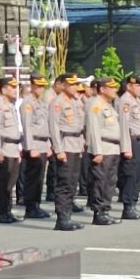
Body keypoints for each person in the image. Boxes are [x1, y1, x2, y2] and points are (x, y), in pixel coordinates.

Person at [49, 73, 86, 231]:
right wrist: (59, 149)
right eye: (71, 84)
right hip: (65, 144)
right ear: (63, 85)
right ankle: (62, 218)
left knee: (72, 182)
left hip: (75, 144)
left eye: (75, 84)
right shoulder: (57, 102)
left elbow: (80, 125)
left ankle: (68, 215)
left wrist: (82, 143)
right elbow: (54, 127)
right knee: (64, 183)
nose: (75, 87)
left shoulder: (75, 101)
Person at [85, 77, 122, 226]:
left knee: (110, 182)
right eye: (111, 87)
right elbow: (93, 129)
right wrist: (97, 151)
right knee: (100, 182)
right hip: (103, 148)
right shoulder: (95, 104)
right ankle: (98, 212)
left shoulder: (108, 105)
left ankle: (105, 210)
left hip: (112, 148)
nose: (115, 90)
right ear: (102, 89)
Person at [20, 74, 52, 219]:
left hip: (43, 143)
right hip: (33, 144)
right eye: (38, 86)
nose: (40, 89)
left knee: (39, 178)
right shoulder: (28, 103)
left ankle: (36, 205)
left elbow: (45, 125)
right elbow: (27, 127)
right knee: (32, 178)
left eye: (42, 86)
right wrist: (30, 147)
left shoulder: (41, 103)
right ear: (32, 86)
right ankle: (30, 207)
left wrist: (49, 145)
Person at [117, 75, 140, 220]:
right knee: (131, 175)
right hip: (132, 142)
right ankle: (128, 206)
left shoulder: (137, 101)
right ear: (129, 86)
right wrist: (126, 147)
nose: (139, 88)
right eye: (136, 86)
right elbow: (124, 126)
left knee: (139, 175)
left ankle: (133, 204)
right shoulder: (125, 101)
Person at [0, 76, 22, 223]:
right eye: (12, 87)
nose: (16, 90)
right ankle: (2, 212)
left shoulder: (11, 105)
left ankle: (7, 211)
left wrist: (19, 149)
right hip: (4, 149)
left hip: (13, 148)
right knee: (2, 182)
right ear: (3, 89)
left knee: (11, 182)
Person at [43, 78, 63, 202]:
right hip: (51, 136)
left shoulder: (56, 96)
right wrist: (49, 142)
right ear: (57, 84)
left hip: (58, 136)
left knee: (58, 167)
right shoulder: (50, 97)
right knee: (54, 167)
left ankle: (55, 191)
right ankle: (51, 191)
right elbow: (48, 120)